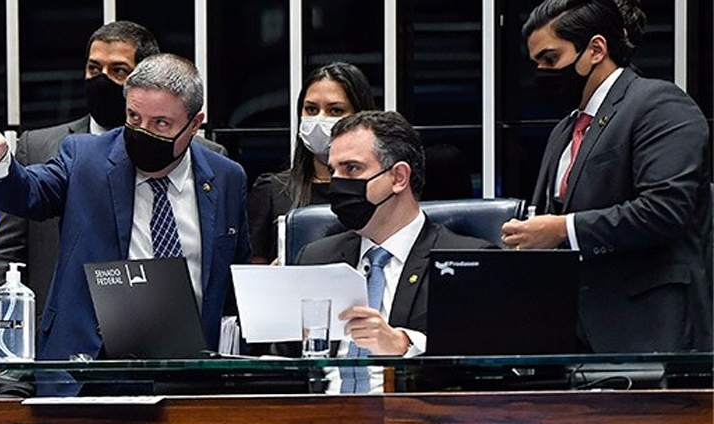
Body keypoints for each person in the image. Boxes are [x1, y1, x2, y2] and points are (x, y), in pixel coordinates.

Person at [0, 53, 251, 360]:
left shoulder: (226, 178)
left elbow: (234, 279)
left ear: (194, 124)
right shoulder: (84, 158)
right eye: (134, 117)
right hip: (89, 365)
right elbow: (29, 193)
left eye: (161, 123)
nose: (143, 131)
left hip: (191, 366)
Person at [502, 0, 712, 352]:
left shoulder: (659, 104)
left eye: (551, 59)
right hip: (571, 336)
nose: (540, 72)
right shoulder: (564, 130)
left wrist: (562, 229)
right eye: (536, 62)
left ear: (596, 49)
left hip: (650, 331)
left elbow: (664, 210)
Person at [0, 21, 227, 306]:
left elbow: (227, 263)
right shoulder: (56, 149)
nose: (102, 80)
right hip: (70, 325)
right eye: (94, 69)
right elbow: (9, 246)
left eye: (118, 71)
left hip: (183, 324)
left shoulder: (216, 166)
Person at [295, 111, 493, 393]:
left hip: (413, 415)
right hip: (319, 414)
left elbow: (480, 364)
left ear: (399, 177)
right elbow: (280, 363)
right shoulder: (314, 258)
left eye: (352, 169)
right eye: (333, 171)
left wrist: (402, 344)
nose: (337, 184)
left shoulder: (466, 260)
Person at [249, 62, 375, 263]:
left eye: (335, 111)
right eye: (311, 109)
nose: (319, 120)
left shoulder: (378, 190)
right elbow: (252, 273)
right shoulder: (273, 190)